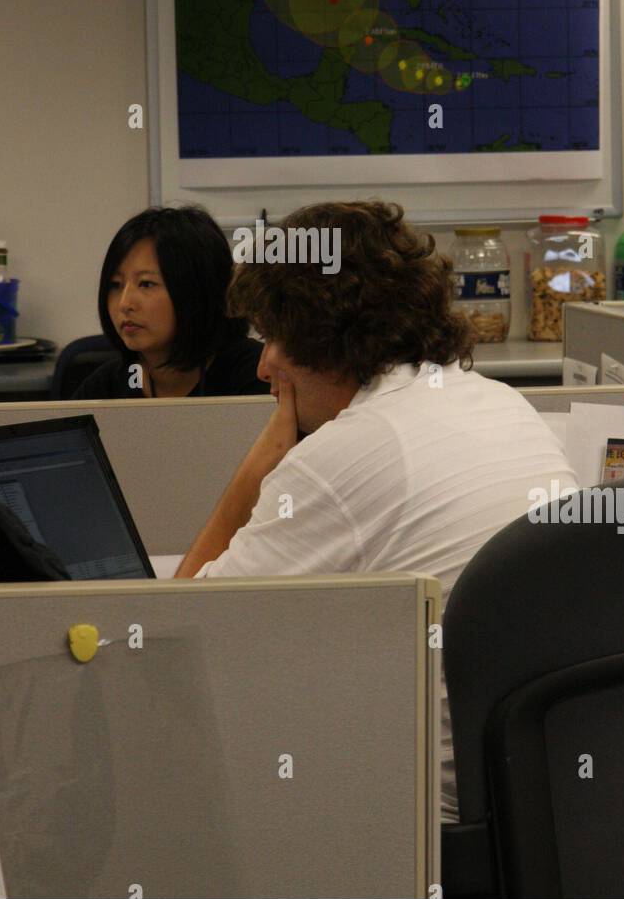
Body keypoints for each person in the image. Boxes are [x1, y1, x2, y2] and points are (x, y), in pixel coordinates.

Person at [175, 199, 579, 822]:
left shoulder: (345, 454)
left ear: (319, 337)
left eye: (272, 338)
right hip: (540, 792)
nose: (263, 366)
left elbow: (182, 630)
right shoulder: (502, 401)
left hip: (429, 820)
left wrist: (261, 466)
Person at [72, 206, 268, 400]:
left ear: (198, 289)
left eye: (146, 284)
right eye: (115, 285)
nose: (124, 304)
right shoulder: (106, 387)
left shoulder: (260, 376)